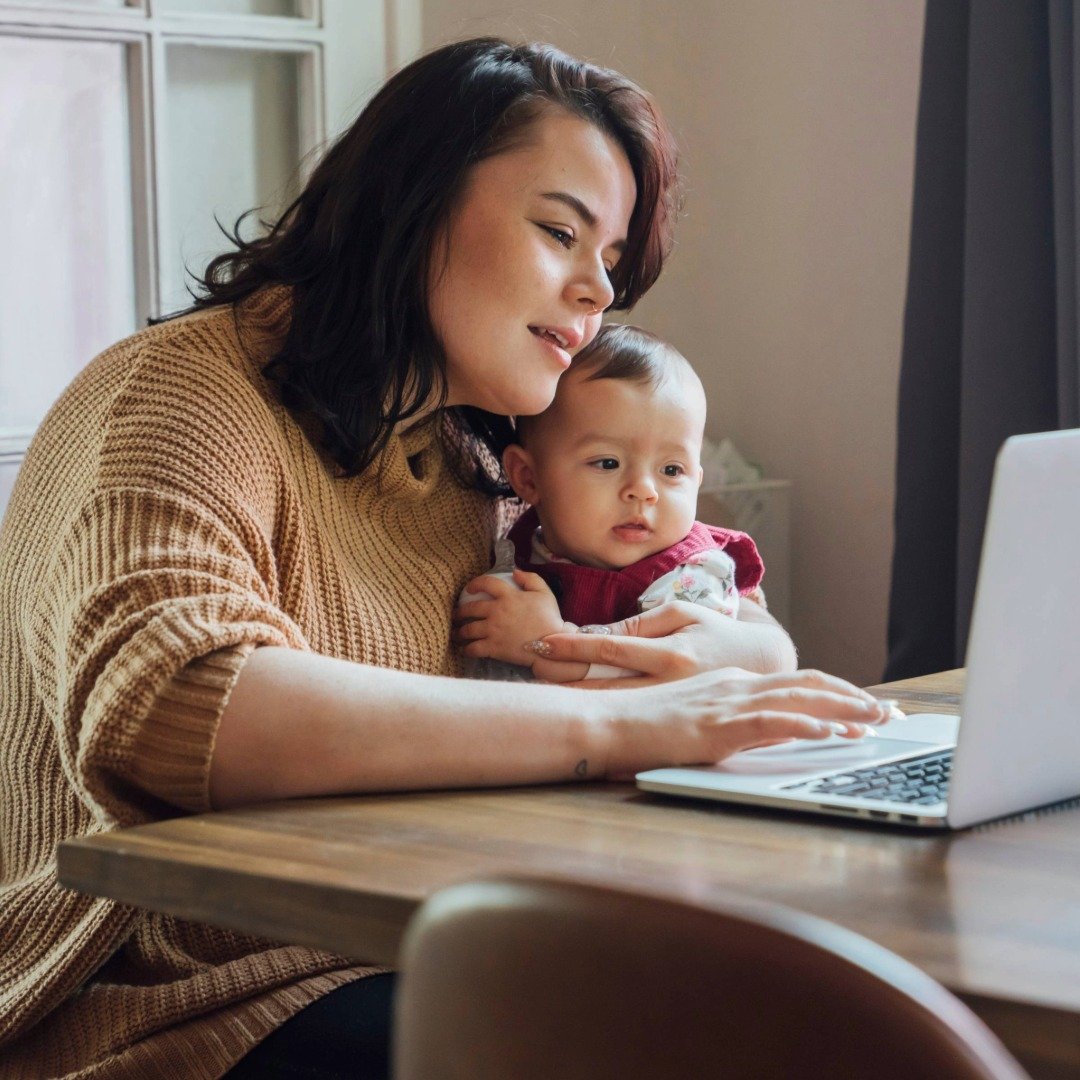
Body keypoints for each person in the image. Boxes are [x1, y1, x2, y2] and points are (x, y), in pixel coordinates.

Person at [0, 37, 895, 1080]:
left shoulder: (466, 464)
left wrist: (747, 654)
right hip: (167, 1000)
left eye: (609, 263)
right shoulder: (177, 397)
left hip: (406, 936)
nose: (596, 292)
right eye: (560, 231)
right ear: (412, 204)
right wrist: (619, 721)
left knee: (792, 1012)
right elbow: (179, 704)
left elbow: (710, 597)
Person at [456, 323, 769, 683]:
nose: (643, 490)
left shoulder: (691, 577)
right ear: (528, 477)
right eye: (608, 463)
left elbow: (669, 674)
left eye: (671, 469)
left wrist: (547, 641)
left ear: (696, 482)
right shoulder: (523, 553)